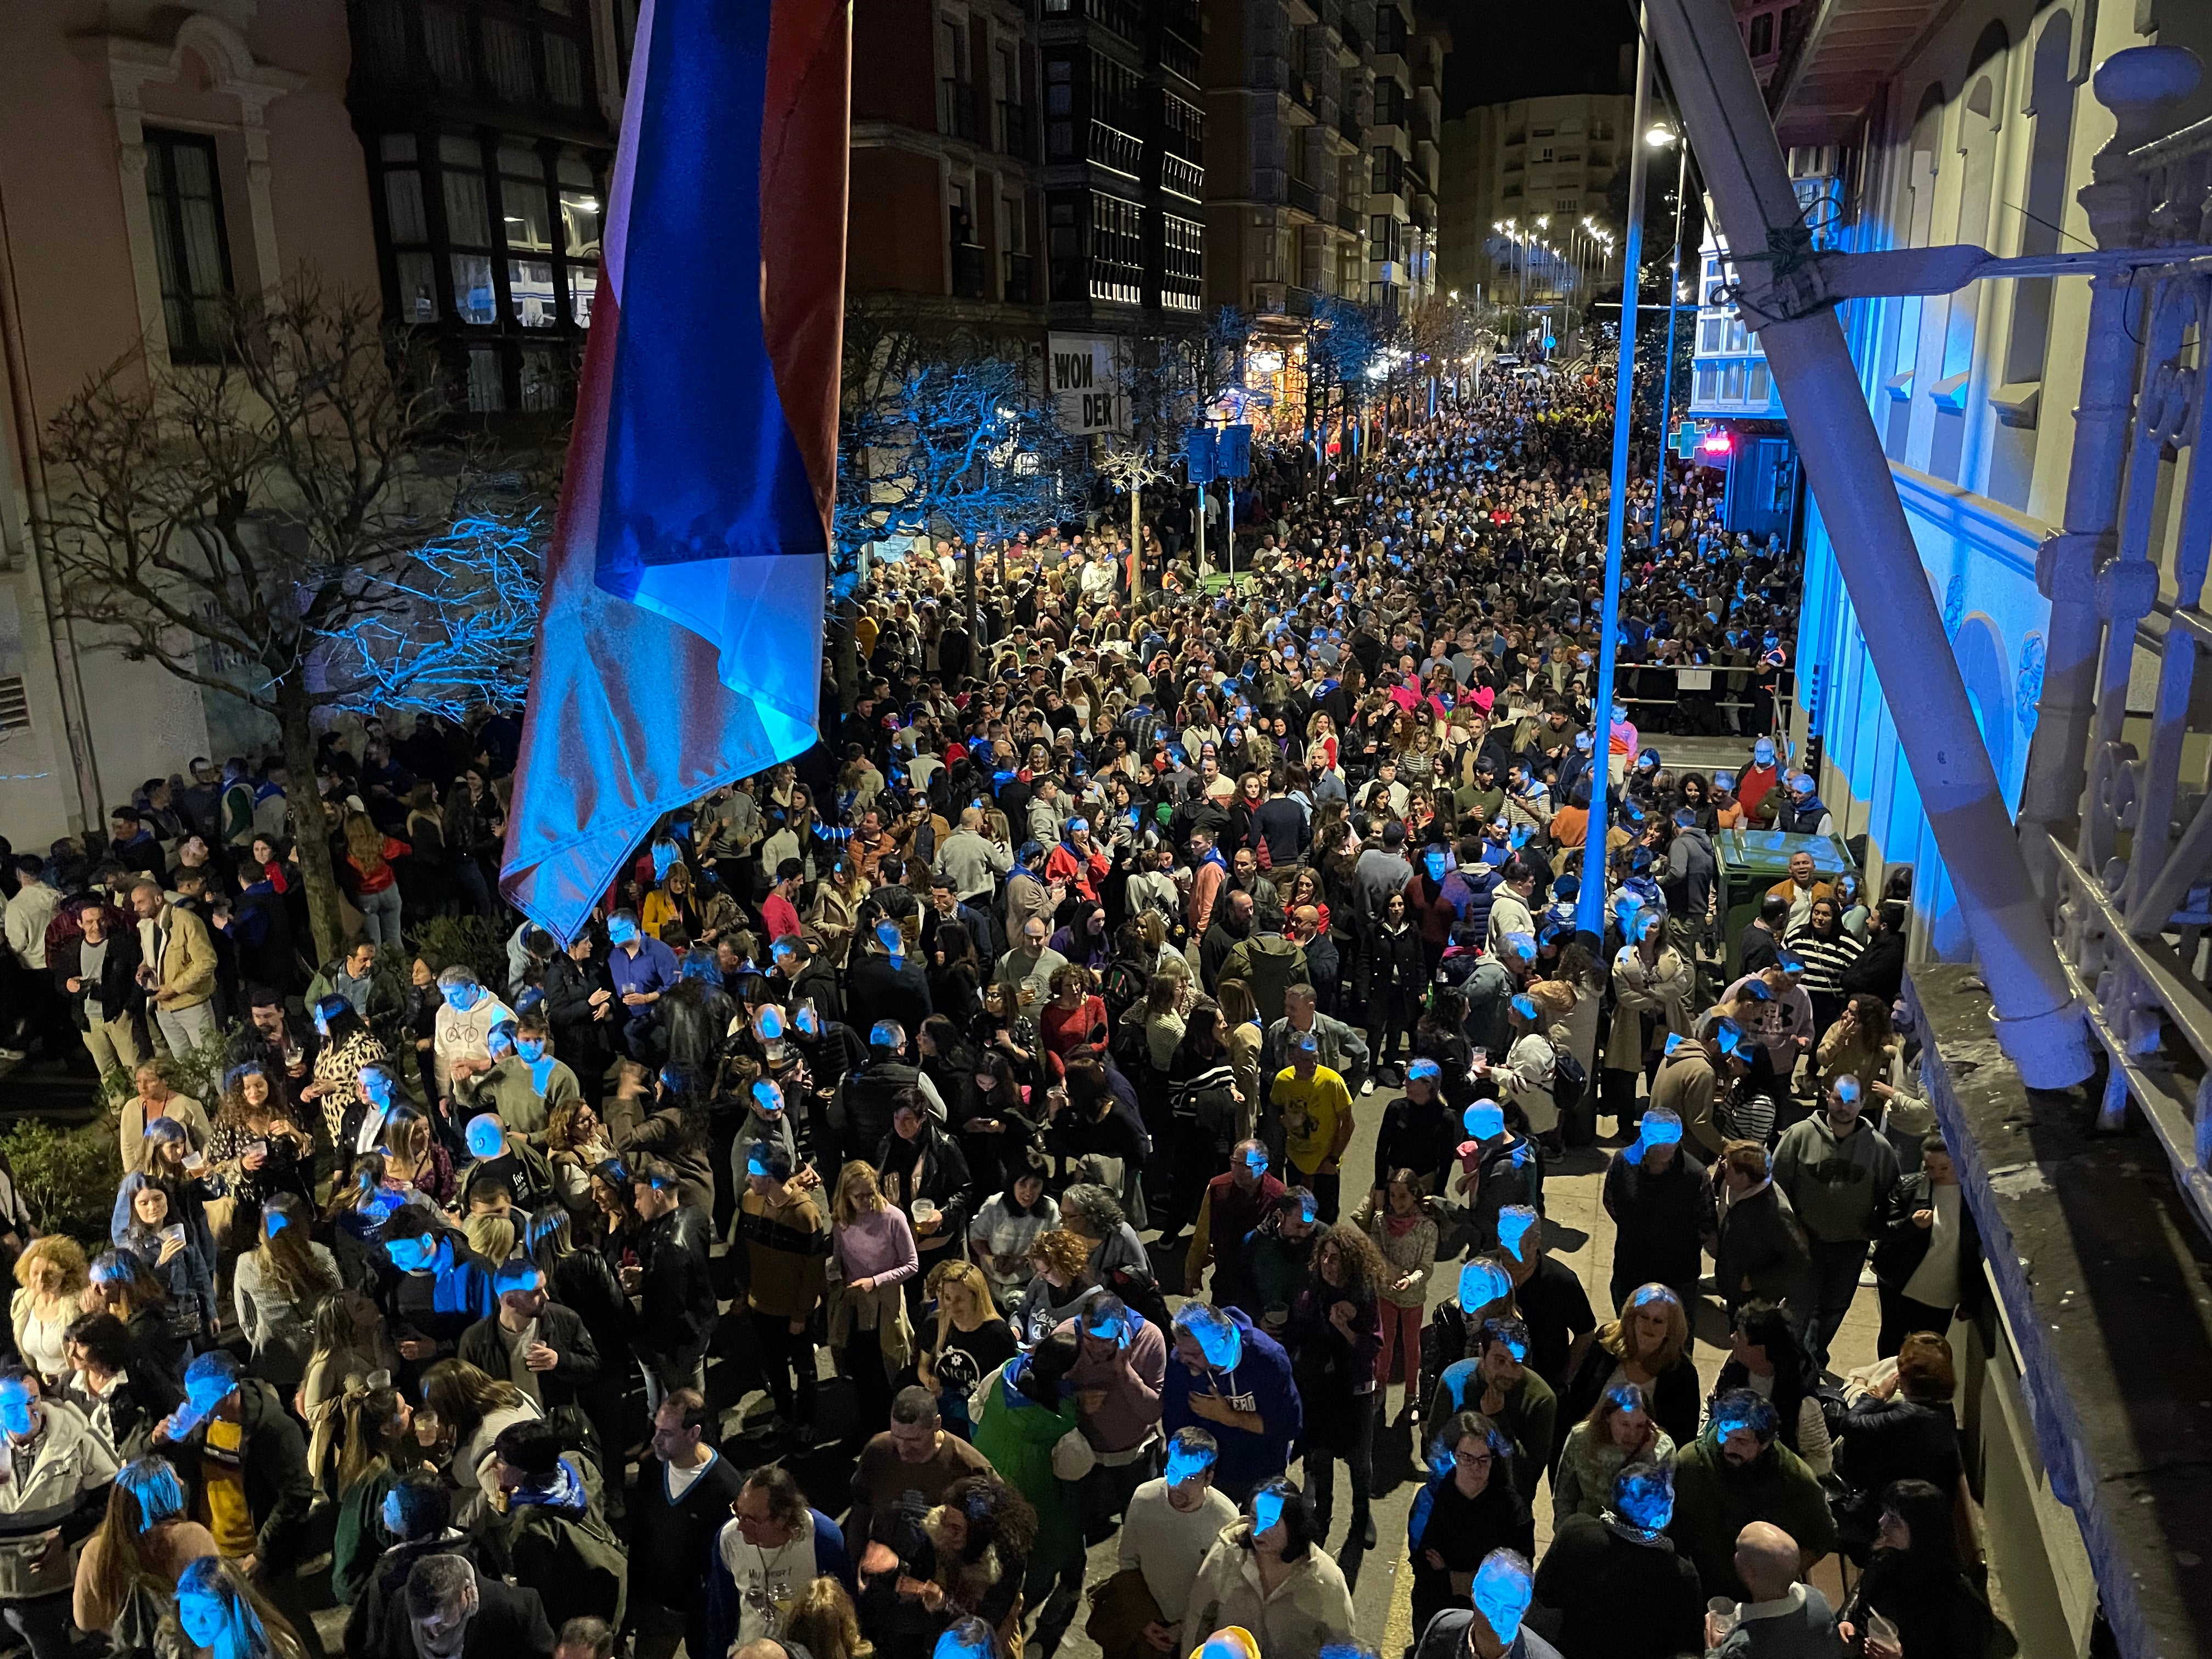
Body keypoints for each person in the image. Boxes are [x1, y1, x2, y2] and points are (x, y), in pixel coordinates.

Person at [150, 1350, 313, 1583]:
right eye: (191, 1397)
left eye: (205, 1399)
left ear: (231, 1390)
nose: (196, 1406)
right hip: (212, 1546)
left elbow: (297, 1493)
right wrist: (161, 1442)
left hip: (252, 1552)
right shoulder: (202, 1422)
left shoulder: (272, 1428)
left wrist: (262, 1553)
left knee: (277, 1615)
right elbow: (191, 1472)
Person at [1773, 1075, 1898, 1367]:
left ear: (1863, 1104)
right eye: (1838, 1100)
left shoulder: (1879, 1149)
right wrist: (1792, 1230)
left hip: (1851, 1247)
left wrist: (1875, 1232)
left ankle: (1812, 1362)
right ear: (1827, 1096)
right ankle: (1794, 1363)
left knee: (1833, 1309)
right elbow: (1776, 1188)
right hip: (1805, 1243)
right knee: (1797, 1308)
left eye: (1852, 1102)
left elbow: (1891, 1197)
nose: (1844, 1108)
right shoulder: (1799, 1135)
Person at [1666, 1391, 1836, 1603]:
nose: (1729, 1447)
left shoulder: (1794, 1478)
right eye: (1724, 1434)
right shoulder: (1690, 1462)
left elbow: (1821, 1536)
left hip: (1755, 1597)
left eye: (1741, 1441)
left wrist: (1774, 1578)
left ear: (1765, 1444)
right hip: (1696, 1584)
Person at [0, 1365, 122, 1659]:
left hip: (56, 1585)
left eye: (32, 1400)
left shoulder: (76, 1437)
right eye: (12, 1405)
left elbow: (114, 1496)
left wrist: (68, 1535)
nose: (26, 1412)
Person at [969, 1333, 1086, 1630]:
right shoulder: (1059, 1425)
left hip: (987, 1478)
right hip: (1030, 1498)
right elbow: (1076, 1469)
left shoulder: (1003, 1374)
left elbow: (975, 1407)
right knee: (1037, 1550)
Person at [1532, 1459, 1705, 1659]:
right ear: (1662, 1518)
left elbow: (1542, 1596)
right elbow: (1687, 1648)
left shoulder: (1575, 1531)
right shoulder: (1681, 1574)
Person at [1283, 1223, 1383, 1553]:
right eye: (1325, 1257)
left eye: (1336, 1259)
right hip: (1321, 1394)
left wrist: (1346, 1330)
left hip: (1355, 1393)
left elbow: (1372, 1348)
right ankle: (1320, 1521)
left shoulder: (1364, 1297)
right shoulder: (1313, 1293)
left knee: (1360, 1465)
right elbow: (1299, 1334)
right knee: (1321, 1462)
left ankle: (1361, 1518)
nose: (1328, 1264)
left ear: (1351, 1263)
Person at [1178, 1478, 1357, 1659]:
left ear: (1293, 1525)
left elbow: (1343, 1646)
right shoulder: (1227, 1555)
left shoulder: (1325, 1578)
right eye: (1254, 1519)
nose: (1257, 1531)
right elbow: (1198, 1618)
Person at [631, 1389, 746, 1659]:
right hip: (657, 1606)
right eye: (656, 1429)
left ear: (694, 1433)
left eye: (667, 1433)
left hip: (702, 1612)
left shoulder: (727, 1488)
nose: (655, 1441)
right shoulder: (652, 1468)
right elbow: (640, 1536)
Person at [484, 1419, 627, 1632]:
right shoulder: (578, 1463)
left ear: (522, 1472)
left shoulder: (531, 1527)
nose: (497, 1465)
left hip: (574, 1609)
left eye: (502, 1461)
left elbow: (535, 1592)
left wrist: (503, 1490)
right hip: (604, 1580)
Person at [1831, 1334, 1963, 1560]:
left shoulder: (1910, 1416)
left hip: (1883, 1512)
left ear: (1908, 1380)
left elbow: (1851, 1425)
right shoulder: (1940, 1411)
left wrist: (1878, 1395)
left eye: (1901, 1373)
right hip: (1904, 1501)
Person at [72, 1455, 218, 1658]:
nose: (181, 1483)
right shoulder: (191, 1538)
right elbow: (219, 1602)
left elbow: (85, 1621)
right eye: (173, 1481)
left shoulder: (96, 1551)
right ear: (162, 1494)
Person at [1835, 1479, 1998, 1659]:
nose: (1882, 1521)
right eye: (1886, 1513)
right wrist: (1847, 1617)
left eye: (1895, 1520)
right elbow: (1866, 1584)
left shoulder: (1959, 1605)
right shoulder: (1890, 1555)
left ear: (1921, 1534)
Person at [1406, 1410, 1535, 1637]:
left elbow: (1519, 1568)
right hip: (1435, 1610)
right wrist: (1481, 1574)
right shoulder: (1430, 1501)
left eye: (1483, 1460)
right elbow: (1422, 1565)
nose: (1475, 1467)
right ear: (1454, 1455)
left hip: (1487, 1614)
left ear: (1494, 1459)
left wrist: (1451, 1576)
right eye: (1467, 1458)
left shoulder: (1512, 1507)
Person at [701, 1464, 854, 1655]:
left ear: (782, 1519)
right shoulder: (728, 1538)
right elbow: (720, 1611)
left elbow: (843, 1610)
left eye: (751, 1519)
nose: (740, 1527)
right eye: (737, 1512)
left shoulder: (822, 1539)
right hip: (747, 1652)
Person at [735, 1140, 830, 1440]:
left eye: (754, 1172)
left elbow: (813, 1270)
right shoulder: (750, 1201)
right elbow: (744, 1253)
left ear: (772, 1178)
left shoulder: (805, 1214)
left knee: (804, 1370)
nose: (748, 1179)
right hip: (761, 1305)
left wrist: (800, 1314)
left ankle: (806, 1423)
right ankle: (784, 1415)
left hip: (793, 1311)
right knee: (774, 1367)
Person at [1115, 1429, 1240, 1655]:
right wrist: (1145, 1619)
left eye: (1191, 1477)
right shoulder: (1144, 1498)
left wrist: (1186, 1629)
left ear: (1209, 1478)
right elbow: (1128, 1562)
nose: (1178, 1485)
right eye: (1173, 1471)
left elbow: (1224, 1590)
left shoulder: (1226, 1520)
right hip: (1144, 1623)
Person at [1554, 1284, 1701, 1457]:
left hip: (1642, 1470)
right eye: (1643, 1317)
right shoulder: (1606, 1343)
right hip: (1587, 1455)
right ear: (1632, 1318)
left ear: (1671, 1328)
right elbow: (1575, 1403)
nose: (1649, 1326)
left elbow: (1684, 1438)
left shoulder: (1683, 1374)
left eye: (1658, 1321)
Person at [623, 1155, 719, 1415]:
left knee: (688, 1402)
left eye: (639, 1196)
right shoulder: (696, 1216)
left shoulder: (670, 1248)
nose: (635, 1204)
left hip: (682, 1341)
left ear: (657, 1195)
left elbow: (672, 1307)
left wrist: (661, 1348)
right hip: (701, 1322)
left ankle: (702, 1444)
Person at [1599, 1107, 1714, 1322]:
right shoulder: (1623, 1161)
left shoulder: (1696, 1175)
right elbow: (1611, 1200)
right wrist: (1636, 1229)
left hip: (1678, 1275)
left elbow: (1706, 1224)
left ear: (1679, 1138)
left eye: (1668, 1140)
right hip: (1631, 1267)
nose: (1662, 1146)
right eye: (1655, 1139)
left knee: (1676, 1341)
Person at [843, 1387, 995, 1550]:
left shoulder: (969, 1467)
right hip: (885, 1562)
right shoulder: (878, 1450)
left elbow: (993, 1527)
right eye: (897, 1436)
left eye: (914, 1440)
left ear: (937, 1424)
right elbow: (861, 1509)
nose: (903, 1449)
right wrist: (858, 1558)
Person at [1870, 1135, 1978, 1357]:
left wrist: (1972, 1300)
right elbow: (1880, 1229)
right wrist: (1911, 1225)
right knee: (1891, 1343)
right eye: (1930, 1168)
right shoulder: (1909, 1186)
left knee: (1927, 1353)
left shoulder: (1975, 1199)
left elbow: (1976, 1256)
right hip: (1900, 1282)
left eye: (1944, 1168)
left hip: (1942, 1294)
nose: (1935, 1175)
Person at [454, 1257, 602, 1414]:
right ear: (511, 1301)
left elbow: (593, 1367)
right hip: (507, 1431)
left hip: (555, 1426)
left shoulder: (565, 1320)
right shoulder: (475, 1339)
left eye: (544, 1288)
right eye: (537, 1293)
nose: (547, 1297)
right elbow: (467, 1395)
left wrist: (559, 1361)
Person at [229, 1193, 340, 1390]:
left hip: (275, 1361)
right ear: (304, 1223)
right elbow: (339, 1304)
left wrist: (263, 1340)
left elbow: (247, 1322)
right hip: (319, 1359)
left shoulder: (247, 1264)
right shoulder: (321, 1257)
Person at [1705, 1520, 1845, 1657]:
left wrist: (1715, 1649)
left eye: (1739, 1550)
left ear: (1750, 1573)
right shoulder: (1817, 1597)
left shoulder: (1742, 1646)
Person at [379, 1553, 557, 1659]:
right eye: (424, 1625)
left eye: (441, 1622)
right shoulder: (401, 1601)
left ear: (467, 1593)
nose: (433, 1633)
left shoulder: (517, 1609)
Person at [1549, 1381, 1679, 1527]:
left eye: (1640, 1426)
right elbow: (1565, 1496)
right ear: (1607, 1418)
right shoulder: (1581, 1438)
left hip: (1636, 1535)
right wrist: (1565, 1532)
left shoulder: (1662, 1451)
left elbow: (1659, 1509)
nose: (1632, 1434)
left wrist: (1645, 1458)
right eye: (1625, 1425)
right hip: (1587, 1529)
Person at [1712, 1142, 1815, 1320]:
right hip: (1738, 1296)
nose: (1723, 1170)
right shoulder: (1747, 1195)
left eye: (1727, 1166)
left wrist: (1754, 1281)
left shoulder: (1775, 1212)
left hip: (1756, 1306)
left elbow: (1799, 1263)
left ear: (1744, 1176)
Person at [1407, 1548, 1562, 1659]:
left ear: (1525, 1610)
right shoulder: (1442, 1626)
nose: (1496, 1617)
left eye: (1509, 1608)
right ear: (1473, 1593)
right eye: (1488, 1601)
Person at [1271, 1033, 1355, 1222]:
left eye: (1315, 1058)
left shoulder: (1332, 1082)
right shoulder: (1283, 1081)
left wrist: (1333, 1160)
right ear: (1291, 1057)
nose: (1312, 1065)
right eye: (1305, 1060)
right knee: (1297, 1215)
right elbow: (1275, 1110)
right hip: (1295, 1160)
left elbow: (1348, 1124)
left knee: (1325, 1218)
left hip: (1325, 1164)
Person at [173, 1555, 312, 1659]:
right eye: (188, 1612)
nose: (198, 1623)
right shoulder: (202, 1646)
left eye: (210, 1611)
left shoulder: (272, 1646)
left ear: (233, 1606)